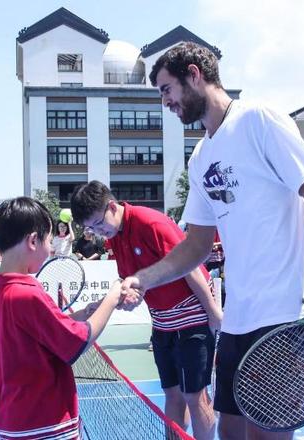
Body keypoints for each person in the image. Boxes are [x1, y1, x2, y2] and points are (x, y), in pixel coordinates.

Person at [119, 42, 304, 440]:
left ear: (194, 74)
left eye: (166, 90)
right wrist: (145, 278)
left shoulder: (259, 120)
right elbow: (196, 246)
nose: (165, 103)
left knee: (265, 435)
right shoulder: (201, 157)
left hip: (284, 314)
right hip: (238, 318)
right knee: (230, 430)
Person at [71, 181, 221, 440]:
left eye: (98, 223)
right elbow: (138, 283)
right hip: (162, 323)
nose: (98, 231)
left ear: (112, 206)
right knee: (173, 394)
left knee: (196, 397)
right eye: (91, 228)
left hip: (191, 318)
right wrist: (126, 298)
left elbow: (192, 266)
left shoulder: (151, 223)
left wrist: (214, 313)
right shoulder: (114, 237)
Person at [0, 197, 122, 440]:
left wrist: (83, 314)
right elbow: (79, 341)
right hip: (46, 427)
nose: (51, 248)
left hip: (8, 425)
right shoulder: (27, 293)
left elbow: (21, 341)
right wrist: (113, 296)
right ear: (33, 240)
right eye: (48, 240)